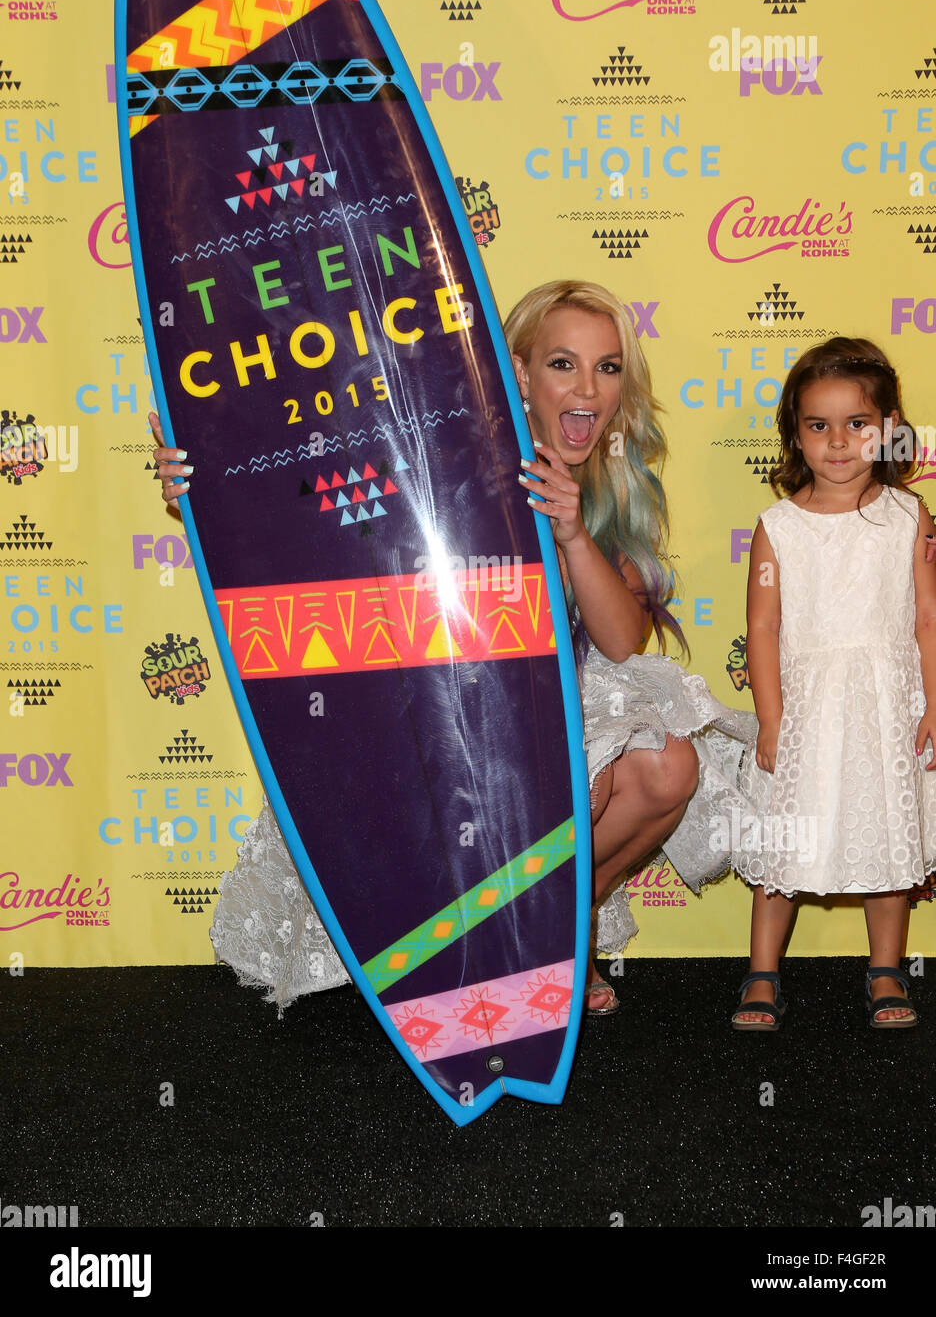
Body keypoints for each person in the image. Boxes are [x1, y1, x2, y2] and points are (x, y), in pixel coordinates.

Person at [149, 279, 759, 1017]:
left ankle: (561, 930)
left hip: (550, 705)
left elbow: (623, 639)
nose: (589, 389)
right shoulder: (441, 446)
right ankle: (482, 938)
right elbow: (312, 532)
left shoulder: (609, 478)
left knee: (669, 765)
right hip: (433, 714)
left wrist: (570, 532)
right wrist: (202, 497)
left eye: (609, 367)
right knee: (565, 787)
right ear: (520, 374)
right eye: (564, 364)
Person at [731, 338, 936, 1031]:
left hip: (886, 706)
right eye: (818, 425)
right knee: (785, 845)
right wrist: (770, 718)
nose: (839, 441)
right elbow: (762, 629)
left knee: (888, 846)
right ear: (795, 432)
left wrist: (934, 700)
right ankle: (762, 973)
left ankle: (885, 970)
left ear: (889, 428)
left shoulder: (909, 516)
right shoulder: (778, 528)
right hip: (808, 710)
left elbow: (929, 618)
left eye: (858, 423)